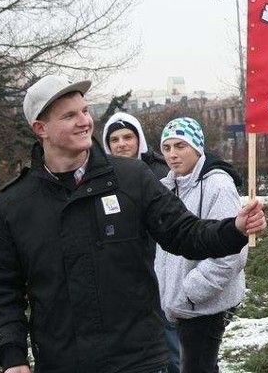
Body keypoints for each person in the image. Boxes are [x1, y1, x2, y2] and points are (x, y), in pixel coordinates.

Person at [0, 75, 267, 373]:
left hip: (138, 360)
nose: (84, 121)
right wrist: (13, 357)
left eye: (84, 110)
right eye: (69, 115)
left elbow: (186, 234)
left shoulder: (132, 178)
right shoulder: (13, 204)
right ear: (41, 129)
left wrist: (233, 228)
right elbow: (2, 287)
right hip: (61, 361)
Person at [155, 117, 247, 373]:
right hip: (179, 305)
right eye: (167, 148)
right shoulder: (166, 188)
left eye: (180, 146)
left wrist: (190, 292)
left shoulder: (218, 185)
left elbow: (232, 253)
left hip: (202, 305)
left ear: (197, 148)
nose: (172, 155)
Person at [102, 111, 179, 373]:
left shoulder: (159, 173)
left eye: (127, 137)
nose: (121, 144)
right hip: (123, 274)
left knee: (171, 342)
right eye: (114, 139)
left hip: (162, 266)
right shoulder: (99, 178)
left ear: (139, 140)